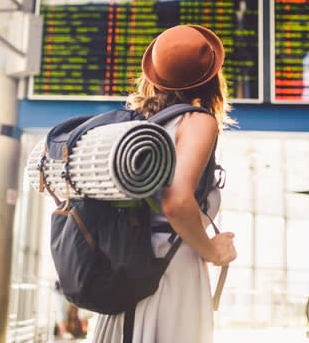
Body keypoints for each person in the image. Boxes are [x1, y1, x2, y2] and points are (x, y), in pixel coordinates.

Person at [92, 24, 238, 343]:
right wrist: (212, 250)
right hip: (170, 273)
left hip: (128, 269)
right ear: (213, 77)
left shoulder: (136, 126)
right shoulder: (198, 121)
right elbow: (176, 201)